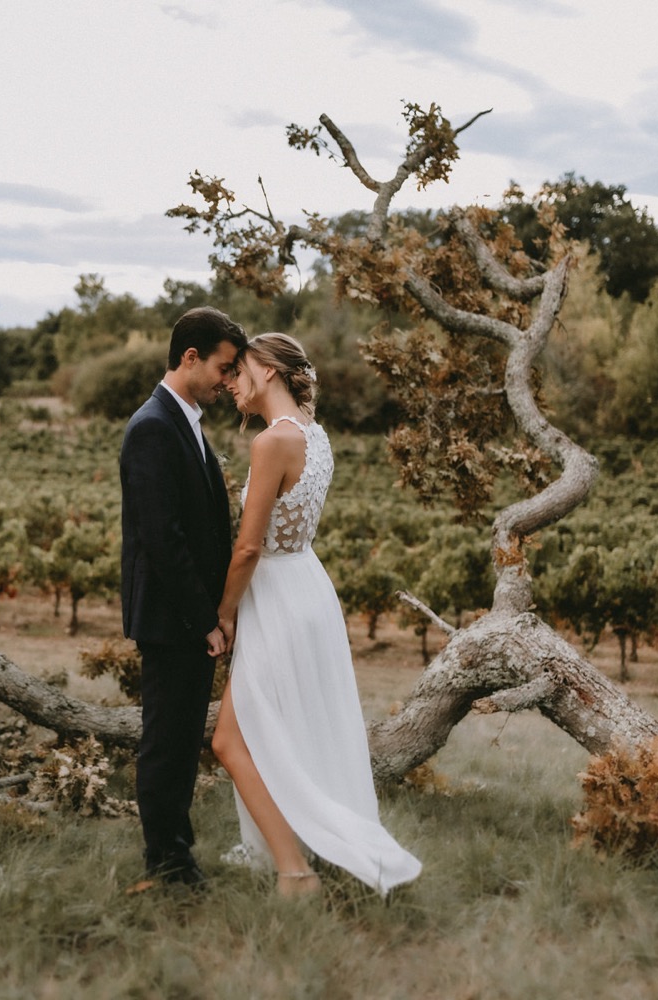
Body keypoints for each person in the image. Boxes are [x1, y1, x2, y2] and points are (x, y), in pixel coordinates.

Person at [212, 332, 422, 898]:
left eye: (241, 370)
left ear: (270, 372)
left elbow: (250, 548)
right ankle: (294, 853)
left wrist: (224, 614)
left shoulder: (270, 443)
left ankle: (295, 872)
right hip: (308, 587)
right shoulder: (316, 436)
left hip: (275, 594)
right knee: (280, 731)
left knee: (231, 741)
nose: (232, 381)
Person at [120, 305, 246, 887]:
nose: (228, 381)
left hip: (188, 616)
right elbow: (161, 538)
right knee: (166, 742)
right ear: (190, 357)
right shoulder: (152, 426)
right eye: (224, 368)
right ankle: (165, 865)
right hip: (173, 618)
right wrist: (206, 620)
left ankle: (177, 851)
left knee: (179, 736)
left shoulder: (186, 418)